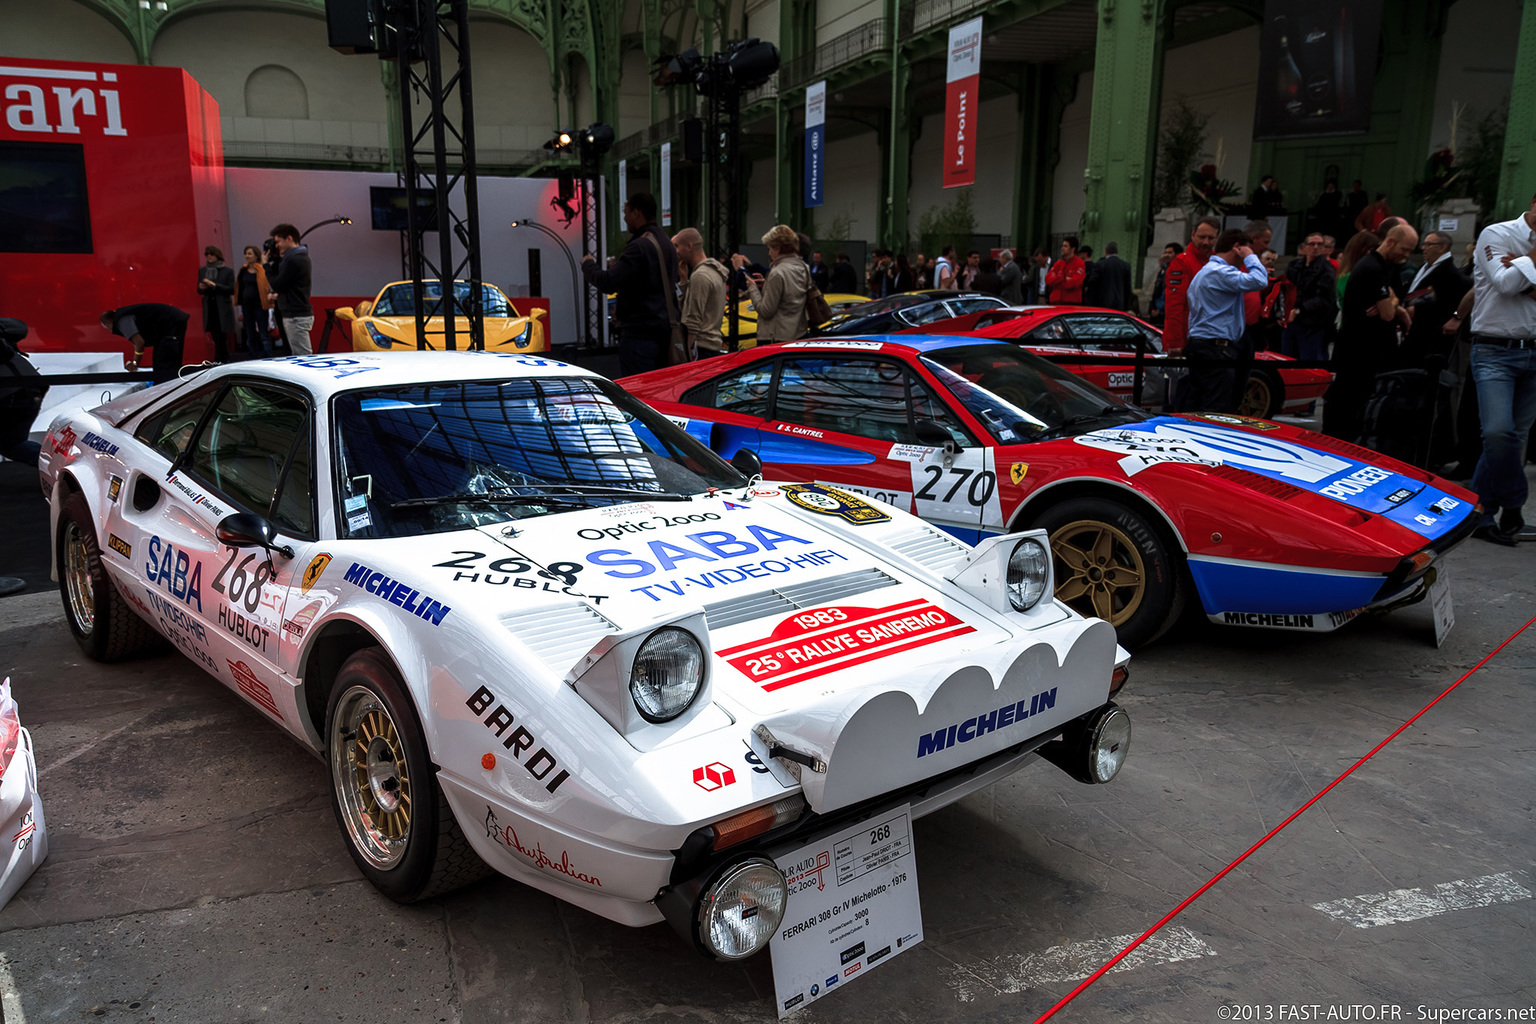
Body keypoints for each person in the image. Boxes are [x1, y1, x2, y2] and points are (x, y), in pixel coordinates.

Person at [1464, 194, 1536, 544]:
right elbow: (1505, 284)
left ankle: (1480, 515)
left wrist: (1520, 267)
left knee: (1511, 439)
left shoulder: (1514, 250)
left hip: (1534, 351)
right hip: (1495, 348)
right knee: (1496, 432)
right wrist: (1533, 259)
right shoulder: (1498, 234)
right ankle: (1513, 502)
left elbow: (1514, 281)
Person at [1323, 224, 1419, 442]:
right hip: (1359, 353)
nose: (1406, 255)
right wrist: (1394, 305)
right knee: (1349, 408)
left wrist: (1393, 304)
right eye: (1404, 249)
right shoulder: (1372, 268)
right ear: (1391, 241)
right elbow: (1387, 313)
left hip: (1370, 354)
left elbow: (1391, 304)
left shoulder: (1385, 267)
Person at [582, 192, 677, 375]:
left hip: (640, 338)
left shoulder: (639, 247)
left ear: (636, 213)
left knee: (639, 395)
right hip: (664, 334)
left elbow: (608, 282)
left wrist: (588, 264)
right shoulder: (666, 242)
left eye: (626, 213)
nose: (625, 218)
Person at [1183, 229, 1267, 412]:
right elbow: (1259, 281)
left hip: (1203, 345)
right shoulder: (1220, 272)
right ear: (1237, 248)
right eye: (1245, 251)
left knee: (1199, 403)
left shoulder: (1207, 271)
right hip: (1216, 347)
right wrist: (1251, 257)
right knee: (1217, 408)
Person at [1401, 231, 1471, 368]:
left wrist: (1411, 304)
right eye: (1424, 244)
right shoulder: (1425, 267)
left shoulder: (1451, 274)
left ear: (1442, 247)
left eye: (1429, 244)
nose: (1423, 248)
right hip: (1413, 333)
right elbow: (1422, 293)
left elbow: (1441, 299)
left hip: (1429, 340)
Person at [732, 224, 810, 345]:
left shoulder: (777, 273)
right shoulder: (803, 267)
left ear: (778, 248)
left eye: (770, 248)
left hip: (775, 337)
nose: (769, 253)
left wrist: (752, 287)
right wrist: (767, 285)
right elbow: (789, 296)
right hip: (797, 334)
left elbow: (766, 311)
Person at [1162, 216, 1221, 352]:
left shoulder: (1216, 261)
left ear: (1217, 238)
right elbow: (1175, 305)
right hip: (1190, 337)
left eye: (1211, 238)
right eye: (1202, 237)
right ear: (1193, 235)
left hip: (1207, 335)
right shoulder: (1181, 263)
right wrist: (1175, 341)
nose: (1206, 242)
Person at [673, 227, 730, 358]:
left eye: (677, 246)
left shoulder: (700, 276)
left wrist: (687, 352)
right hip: (711, 344)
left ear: (689, 246)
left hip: (700, 346)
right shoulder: (714, 272)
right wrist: (684, 280)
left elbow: (693, 318)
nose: (676, 252)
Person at [1281, 232, 1337, 362]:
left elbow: (1323, 298)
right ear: (1305, 246)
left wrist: (1299, 310)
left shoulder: (1326, 269)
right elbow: (1284, 289)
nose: (1316, 247)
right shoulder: (1294, 266)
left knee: (1310, 363)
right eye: (1312, 244)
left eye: (1319, 244)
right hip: (1290, 321)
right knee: (1286, 359)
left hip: (1312, 324)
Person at [100, 304, 189, 384]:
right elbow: (136, 342)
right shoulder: (123, 316)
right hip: (168, 326)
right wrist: (135, 362)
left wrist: (135, 363)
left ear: (108, 323)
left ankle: (166, 391)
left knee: (165, 363)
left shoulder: (122, 320)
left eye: (107, 328)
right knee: (162, 361)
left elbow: (139, 342)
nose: (110, 331)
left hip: (170, 325)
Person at [0, 317, 44, 466]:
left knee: (11, 444)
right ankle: (51, 462)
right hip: (29, 389)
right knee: (13, 443)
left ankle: (52, 463)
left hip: (15, 395)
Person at [266, 223, 313, 355]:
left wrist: (266, 266)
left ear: (289, 239)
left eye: (278, 241)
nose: (276, 246)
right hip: (296, 313)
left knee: (303, 356)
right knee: (299, 354)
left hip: (295, 315)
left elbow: (278, 284)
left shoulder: (293, 259)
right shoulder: (299, 257)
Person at [197, 245, 236, 363]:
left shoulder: (227, 271)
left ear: (218, 256)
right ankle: (222, 359)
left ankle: (220, 359)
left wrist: (214, 285)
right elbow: (198, 290)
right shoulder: (203, 270)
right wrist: (202, 287)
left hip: (222, 306)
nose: (209, 257)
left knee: (221, 335)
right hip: (210, 306)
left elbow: (231, 289)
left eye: (211, 254)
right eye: (207, 254)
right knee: (214, 334)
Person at [236, 245, 273, 358]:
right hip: (246, 305)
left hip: (259, 305)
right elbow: (239, 286)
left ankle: (268, 356)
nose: (247, 256)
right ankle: (253, 356)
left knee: (263, 333)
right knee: (249, 333)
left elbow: (267, 286)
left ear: (256, 255)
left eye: (249, 253)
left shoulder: (261, 270)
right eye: (246, 253)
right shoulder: (243, 270)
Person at [1147, 242, 1182, 327]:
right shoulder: (1163, 270)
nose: (1166, 255)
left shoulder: (1176, 270)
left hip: (1165, 313)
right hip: (1157, 311)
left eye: (1170, 253)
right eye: (1165, 252)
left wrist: (1160, 309)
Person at [1045, 237, 1085, 305]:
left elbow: (1075, 283)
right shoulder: (1058, 264)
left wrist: (1056, 280)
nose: (1062, 248)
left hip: (1071, 304)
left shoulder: (1079, 264)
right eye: (1062, 246)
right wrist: (1063, 278)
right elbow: (1047, 280)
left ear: (1073, 249)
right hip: (1055, 302)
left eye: (1065, 246)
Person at [1095, 242, 1132, 312]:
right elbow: (1128, 287)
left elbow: (1093, 283)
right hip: (1119, 303)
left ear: (1106, 251)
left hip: (1102, 302)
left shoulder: (1100, 264)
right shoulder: (1125, 265)